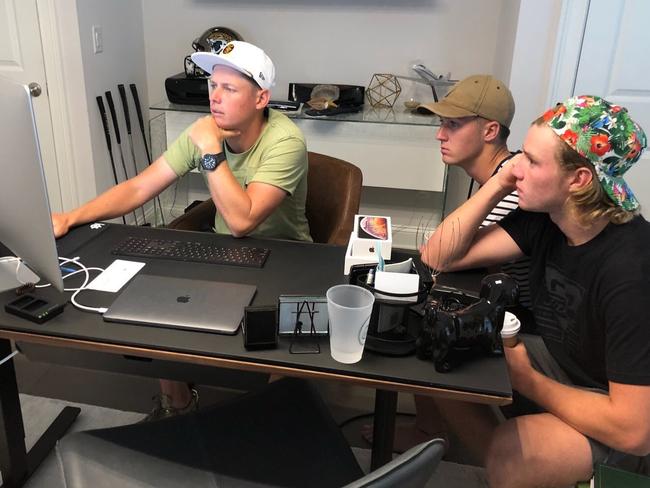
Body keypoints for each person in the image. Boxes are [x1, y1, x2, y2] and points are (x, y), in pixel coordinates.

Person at [53, 41, 311, 420]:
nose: (215, 97)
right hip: (227, 252)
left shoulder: (285, 142)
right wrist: (73, 216)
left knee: (290, 342)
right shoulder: (205, 130)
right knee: (154, 302)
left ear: (261, 98)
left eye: (230, 88)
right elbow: (140, 187)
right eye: (212, 85)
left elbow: (242, 221)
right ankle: (178, 405)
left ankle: (274, 422)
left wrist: (210, 151)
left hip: (286, 256)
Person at [421, 95, 649, 486]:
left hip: (623, 410)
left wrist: (530, 383)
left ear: (578, 180)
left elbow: (634, 431)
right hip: (569, 365)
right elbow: (438, 256)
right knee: (440, 356)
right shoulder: (547, 217)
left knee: (516, 455)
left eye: (531, 160)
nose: (515, 168)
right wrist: (496, 184)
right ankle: (511, 474)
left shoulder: (631, 270)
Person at [365, 75, 532, 453]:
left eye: (453, 125)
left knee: (430, 329)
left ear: (490, 130)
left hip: (534, 318)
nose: (440, 134)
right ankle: (427, 430)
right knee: (427, 299)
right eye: (442, 123)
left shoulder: (511, 183)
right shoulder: (493, 174)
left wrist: (498, 184)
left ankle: (501, 466)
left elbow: (438, 255)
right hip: (510, 300)